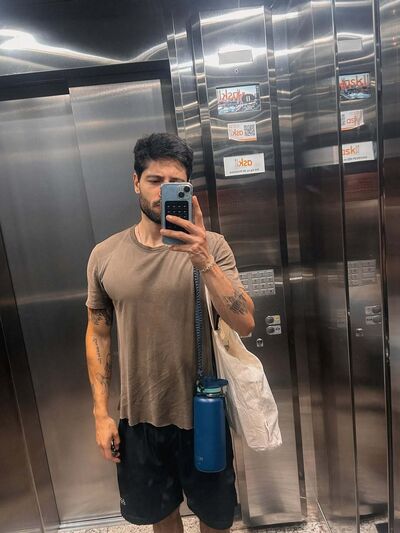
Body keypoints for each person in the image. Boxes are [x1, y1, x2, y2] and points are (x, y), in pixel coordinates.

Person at [85, 132, 255, 533]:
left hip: (203, 413)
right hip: (139, 417)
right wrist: (100, 413)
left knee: (215, 520)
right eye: (154, 180)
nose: (164, 191)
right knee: (160, 519)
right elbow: (98, 334)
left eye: (175, 183)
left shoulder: (212, 246)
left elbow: (245, 321)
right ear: (135, 182)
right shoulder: (104, 255)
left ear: (188, 187)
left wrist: (203, 259)